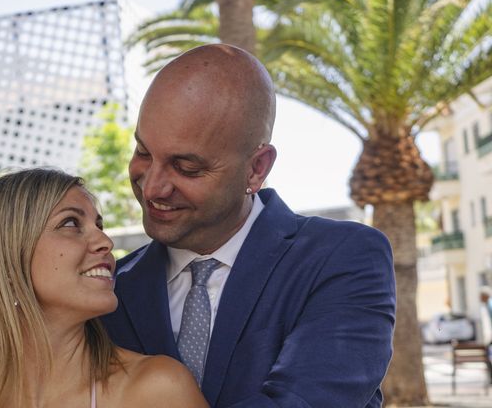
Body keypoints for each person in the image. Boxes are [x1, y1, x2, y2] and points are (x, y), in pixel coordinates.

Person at [101, 44, 396, 407]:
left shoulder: (343, 258)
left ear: (256, 169)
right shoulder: (109, 290)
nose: (152, 186)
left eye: (187, 167)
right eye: (143, 152)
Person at [0, 168, 207, 408]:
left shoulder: (157, 390)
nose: (105, 242)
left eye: (99, 224)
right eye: (71, 223)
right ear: (1, 264)